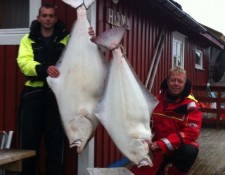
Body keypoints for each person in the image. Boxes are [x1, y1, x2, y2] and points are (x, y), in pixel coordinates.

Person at [17, 4, 70, 175]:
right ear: (38, 18)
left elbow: (81, 53)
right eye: (44, 15)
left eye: (51, 16)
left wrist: (89, 37)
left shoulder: (67, 38)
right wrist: (45, 69)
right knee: (28, 145)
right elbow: (24, 63)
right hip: (33, 95)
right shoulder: (27, 39)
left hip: (57, 97)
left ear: (55, 18)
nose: (47, 19)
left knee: (55, 145)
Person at [131, 66, 202, 175]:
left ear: (185, 84)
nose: (176, 84)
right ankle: (161, 166)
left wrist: (162, 144)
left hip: (179, 146)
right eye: (173, 80)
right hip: (157, 146)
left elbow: (192, 132)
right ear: (167, 81)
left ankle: (173, 171)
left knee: (189, 150)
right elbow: (145, 122)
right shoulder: (156, 100)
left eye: (180, 81)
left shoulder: (191, 104)